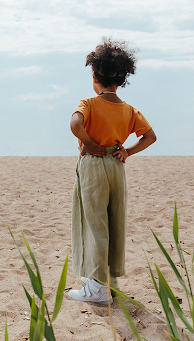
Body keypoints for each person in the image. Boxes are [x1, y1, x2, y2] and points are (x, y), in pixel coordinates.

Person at [68, 38, 157, 304]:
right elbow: (150, 136)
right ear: (121, 80)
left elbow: (75, 124)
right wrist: (127, 151)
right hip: (117, 165)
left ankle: (96, 287)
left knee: (94, 221)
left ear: (95, 76)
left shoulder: (89, 103)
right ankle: (106, 278)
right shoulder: (129, 109)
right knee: (114, 219)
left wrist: (89, 143)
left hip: (94, 164)